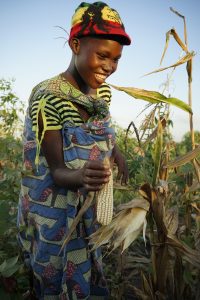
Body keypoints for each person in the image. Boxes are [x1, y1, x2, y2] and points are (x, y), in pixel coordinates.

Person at [17, 2, 131, 299]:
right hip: (53, 209)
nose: (109, 66)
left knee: (87, 269)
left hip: (85, 205)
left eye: (117, 59)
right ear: (75, 44)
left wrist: (115, 151)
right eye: (103, 55)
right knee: (53, 279)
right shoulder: (48, 98)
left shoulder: (102, 91)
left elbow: (102, 122)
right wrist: (81, 175)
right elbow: (56, 171)